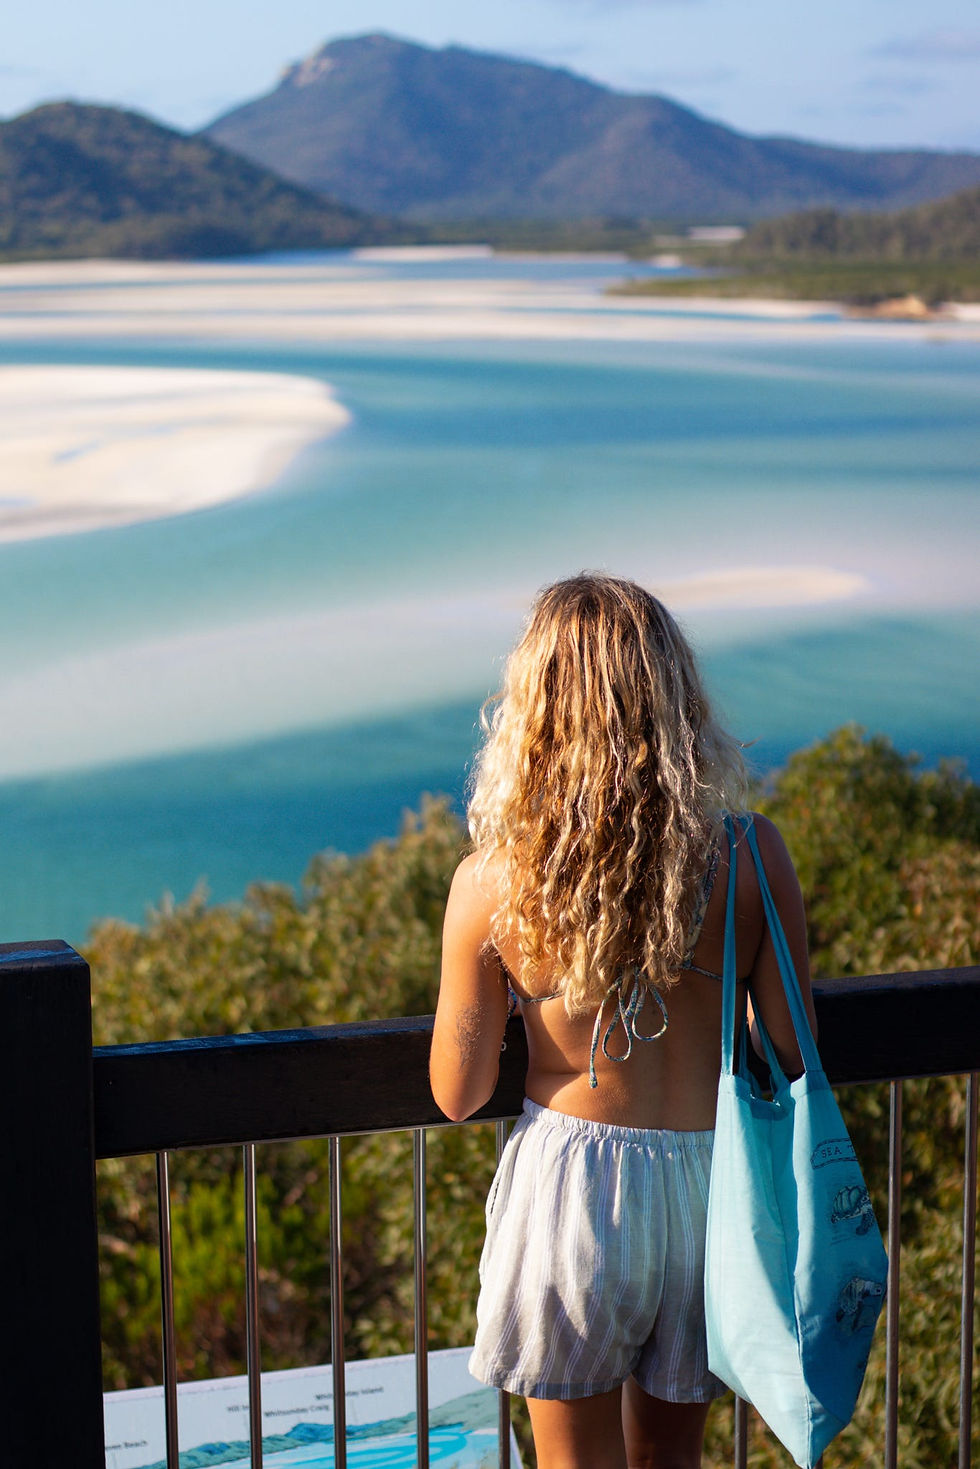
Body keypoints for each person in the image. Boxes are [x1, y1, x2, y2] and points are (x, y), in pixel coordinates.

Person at [430, 574, 817, 1469]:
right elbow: (796, 1053)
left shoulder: (494, 883)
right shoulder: (752, 853)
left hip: (571, 1190)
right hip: (705, 1186)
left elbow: (460, 1091)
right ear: (677, 699)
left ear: (533, 712)